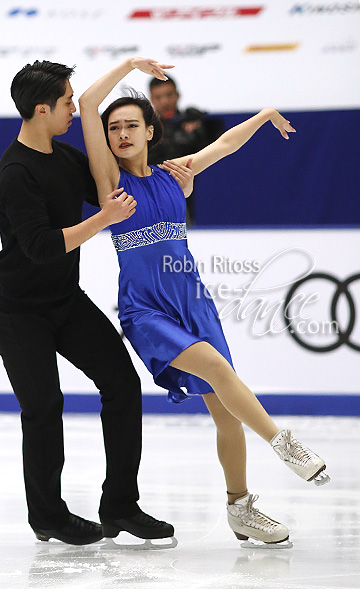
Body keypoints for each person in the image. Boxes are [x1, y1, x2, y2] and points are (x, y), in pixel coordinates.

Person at [78, 57, 330, 546]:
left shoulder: (175, 176)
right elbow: (88, 103)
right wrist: (129, 65)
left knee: (225, 411)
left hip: (194, 302)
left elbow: (225, 145)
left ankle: (241, 508)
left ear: (151, 130)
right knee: (216, 367)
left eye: (132, 125)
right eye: (115, 128)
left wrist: (263, 115)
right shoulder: (113, 183)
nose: (122, 134)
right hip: (146, 309)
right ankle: (285, 443)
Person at [0, 60, 190, 546]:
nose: (75, 109)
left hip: (64, 301)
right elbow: (42, 246)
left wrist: (164, 176)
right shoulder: (16, 173)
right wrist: (103, 219)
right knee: (43, 406)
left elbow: (110, 183)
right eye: (67, 102)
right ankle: (48, 516)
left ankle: (120, 504)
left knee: (122, 383)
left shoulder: (61, 157)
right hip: (18, 311)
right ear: (41, 109)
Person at [148, 76, 225, 224]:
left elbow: (219, 141)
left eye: (169, 95)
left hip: (187, 202)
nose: (165, 102)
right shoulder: (147, 131)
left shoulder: (191, 122)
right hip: (152, 201)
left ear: (177, 95)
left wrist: (202, 125)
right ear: (151, 100)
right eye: (158, 97)